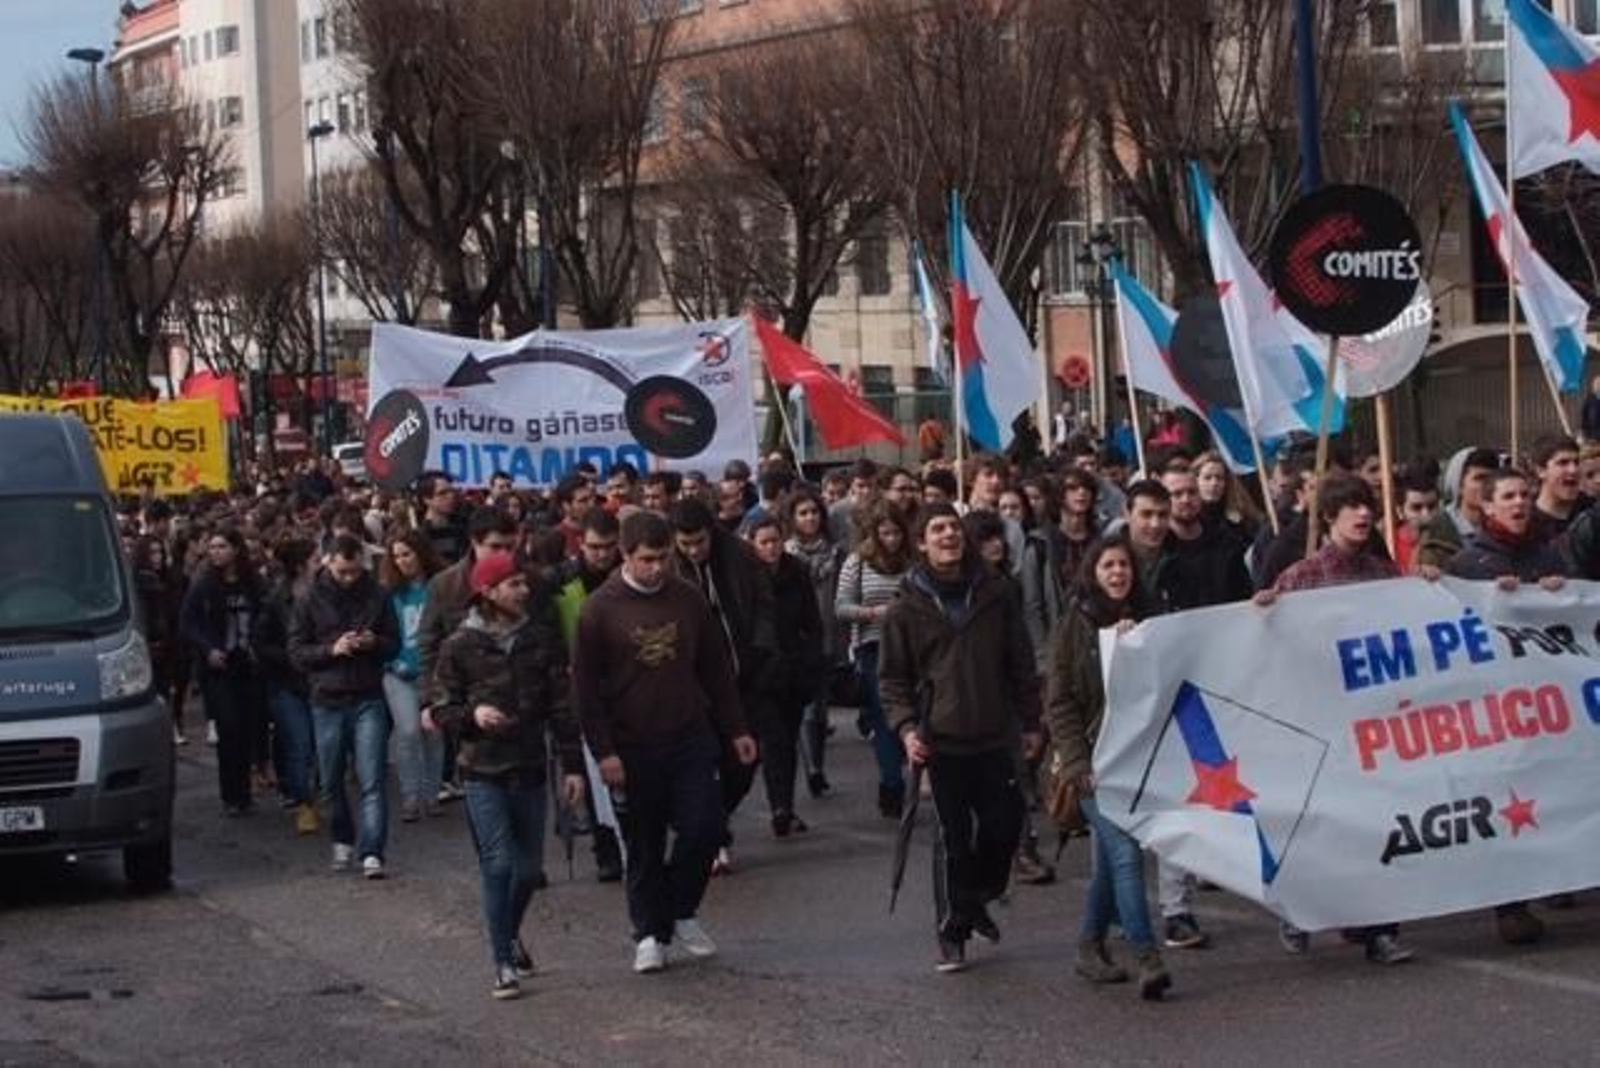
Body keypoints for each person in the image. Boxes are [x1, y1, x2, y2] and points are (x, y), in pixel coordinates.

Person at [572, 511, 757, 974]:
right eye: (647, 560)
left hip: (689, 735)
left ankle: (679, 908)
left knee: (706, 827)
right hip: (631, 745)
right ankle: (649, 933)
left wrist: (737, 728)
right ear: (625, 556)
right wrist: (603, 752)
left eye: (664, 558)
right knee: (644, 842)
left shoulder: (688, 599)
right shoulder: (599, 609)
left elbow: (715, 669)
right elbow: (586, 691)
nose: (657, 568)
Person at [1256, 475, 1414, 965]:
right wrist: (1262, 613)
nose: (1362, 515)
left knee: (1377, 822)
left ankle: (1380, 929)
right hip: (1320, 723)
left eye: (1366, 506)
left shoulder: (1385, 576)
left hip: (1372, 722)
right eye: (1350, 507)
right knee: (1321, 823)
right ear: (1328, 517)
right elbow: (1268, 646)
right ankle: (1300, 908)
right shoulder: (1301, 578)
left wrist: (1429, 584)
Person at [879, 503, 1042, 974]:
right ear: (921, 542)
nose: (948, 535)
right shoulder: (905, 606)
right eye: (937, 529)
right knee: (952, 840)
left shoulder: (996, 591)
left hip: (994, 734)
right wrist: (907, 729)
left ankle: (974, 900)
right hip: (941, 739)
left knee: (1004, 827)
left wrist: (1031, 722)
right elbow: (892, 680)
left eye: (953, 526)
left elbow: (1021, 663)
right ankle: (952, 932)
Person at [431, 550, 586, 1000]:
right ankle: (501, 960)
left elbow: (561, 706)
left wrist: (573, 766)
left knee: (528, 870)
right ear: (489, 591)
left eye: (524, 582)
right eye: (514, 584)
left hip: (530, 767)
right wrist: (472, 714)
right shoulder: (460, 645)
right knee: (498, 865)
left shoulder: (538, 639)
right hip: (481, 771)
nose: (523, 590)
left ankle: (509, 931)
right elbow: (441, 708)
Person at [1442, 466, 1567, 946]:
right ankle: (1510, 905)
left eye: (1523, 495)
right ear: (1487, 507)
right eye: (1508, 497)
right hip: (1496, 706)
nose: (1519, 503)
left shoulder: (1546, 552)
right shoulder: (1469, 564)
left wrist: (1558, 591)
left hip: (1547, 702)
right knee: (1510, 802)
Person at [1048, 532, 1172, 998]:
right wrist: (1078, 765)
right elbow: (1059, 703)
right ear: (1093, 574)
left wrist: (1133, 650)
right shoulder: (1073, 626)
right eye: (1108, 566)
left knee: (1107, 864)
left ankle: (1088, 945)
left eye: (1124, 565)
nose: (1118, 573)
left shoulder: (1148, 621)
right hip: (1091, 765)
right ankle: (1147, 955)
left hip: (1135, 760)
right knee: (1125, 855)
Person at [668, 498, 776, 874]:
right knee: (701, 762)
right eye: (686, 544)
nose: (695, 550)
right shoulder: (667, 567)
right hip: (692, 687)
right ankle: (711, 835)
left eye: (700, 541)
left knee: (743, 762)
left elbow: (764, 604)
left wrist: (761, 651)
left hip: (743, 678)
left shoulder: (740, 556)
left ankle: (715, 817)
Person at [289, 533, 401, 879]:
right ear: (328, 563)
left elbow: (394, 644)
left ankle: (372, 851)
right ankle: (342, 838)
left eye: (354, 571)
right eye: (342, 572)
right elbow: (296, 652)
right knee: (332, 778)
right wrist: (331, 650)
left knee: (372, 778)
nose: (349, 578)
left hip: (368, 695)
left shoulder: (378, 595)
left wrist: (374, 642)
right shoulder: (308, 599)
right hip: (327, 699)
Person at [417, 507, 521, 804]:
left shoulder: (525, 582)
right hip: (467, 701)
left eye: (509, 547)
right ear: (474, 543)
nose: (503, 554)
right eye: (495, 546)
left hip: (518, 703)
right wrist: (428, 700)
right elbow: (428, 642)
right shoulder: (445, 585)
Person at [552, 509, 627, 883]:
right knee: (592, 771)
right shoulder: (561, 581)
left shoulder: (626, 575)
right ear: (581, 544)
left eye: (610, 547)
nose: (602, 554)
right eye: (595, 547)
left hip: (624, 685)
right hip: (577, 688)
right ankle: (605, 849)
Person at [744, 514, 824, 836]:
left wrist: (811, 660)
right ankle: (778, 806)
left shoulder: (797, 572)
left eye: (775, 540)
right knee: (772, 739)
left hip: (793, 668)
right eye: (763, 542)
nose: (771, 548)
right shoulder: (746, 577)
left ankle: (785, 806)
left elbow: (812, 622)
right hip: (760, 672)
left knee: (787, 741)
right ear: (752, 544)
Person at [179, 528, 265, 815]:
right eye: (212, 547)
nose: (216, 552)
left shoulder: (252, 583)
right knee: (228, 727)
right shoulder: (203, 584)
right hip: (218, 667)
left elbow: (266, 614)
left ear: (236, 550)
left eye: (222, 546)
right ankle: (231, 795)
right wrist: (208, 649)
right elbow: (188, 622)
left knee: (247, 728)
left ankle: (245, 790)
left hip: (248, 665)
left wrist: (258, 643)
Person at [835, 501, 913, 816]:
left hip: (911, 647)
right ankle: (891, 783)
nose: (891, 539)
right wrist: (871, 613)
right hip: (874, 646)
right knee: (884, 718)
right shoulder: (858, 562)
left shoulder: (913, 561)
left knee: (913, 715)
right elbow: (840, 607)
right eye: (885, 533)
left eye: (896, 533)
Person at [782, 489, 847, 803]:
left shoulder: (837, 553)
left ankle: (817, 762)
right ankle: (812, 771)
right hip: (796, 641)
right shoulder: (784, 554)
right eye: (803, 513)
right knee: (805, 707)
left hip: (827, 636)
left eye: (814, 512)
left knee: (820, 708)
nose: (810, 518)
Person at [253, 537, 322, 835]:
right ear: (301, 564)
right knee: (299, 743)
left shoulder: (326, 592)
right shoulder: (276, 598)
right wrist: (289, 657)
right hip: (286, 682)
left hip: (320, 679)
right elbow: (260, 641)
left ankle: (317, 793)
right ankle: (304, 803)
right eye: (316, 558)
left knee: (322, 744)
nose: (322, 563)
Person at [381, 529, 445, 824]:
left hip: (434, 671)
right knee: (407, 731)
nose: (402, 561)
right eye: (396, 556)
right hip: (398, 672)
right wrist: (391, 662)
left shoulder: (439, 586)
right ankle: (410, 795)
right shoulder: (389, 593)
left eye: (407, 554)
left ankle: (432, 795)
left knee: (433, 732)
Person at [1529, 434, 1584, 543]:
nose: (1573, 470)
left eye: (1577, 462)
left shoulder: (1591, 514)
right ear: (1541, 471)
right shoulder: (1526, 522)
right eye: (1563, 463)